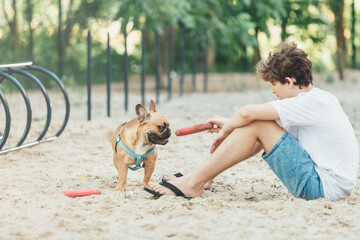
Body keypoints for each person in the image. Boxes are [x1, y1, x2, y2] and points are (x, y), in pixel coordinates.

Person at [147, 42, 359, 201]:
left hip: (322, 188)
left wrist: (227, 128)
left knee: (259, 122)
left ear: (290, 81)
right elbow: (258, 135)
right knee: (259, 125)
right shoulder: (314, 101)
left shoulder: (312, 103)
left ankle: (194, 182)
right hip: (324, 183)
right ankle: (201, 177)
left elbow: (248, 113)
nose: (273, 91)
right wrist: (231, 123)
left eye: (275, 84)